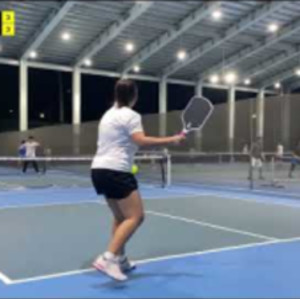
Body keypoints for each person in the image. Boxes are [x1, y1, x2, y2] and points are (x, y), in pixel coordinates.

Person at [91, 79, 185, 281]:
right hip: (117, 171)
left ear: (116, 95)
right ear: (134, 96)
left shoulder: (108, 114)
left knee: (121, 218)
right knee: (136, 217)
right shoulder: (131, 115)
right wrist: (171, 139)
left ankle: (120, 259)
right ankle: (108, 258)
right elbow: (140, 140)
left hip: (98, 170)